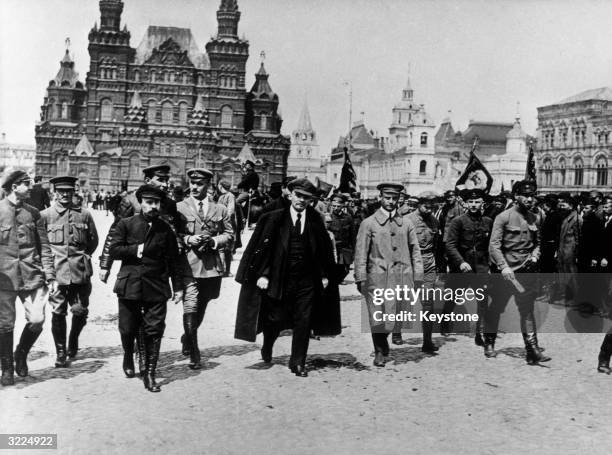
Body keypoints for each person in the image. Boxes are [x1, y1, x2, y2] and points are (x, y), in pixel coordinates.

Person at [234, 178, 338, 377]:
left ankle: (298, 361)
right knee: (275, 318)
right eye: (298, 196)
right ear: (291, 195)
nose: (301, 200)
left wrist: (325, 275)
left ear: (311, 200)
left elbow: (324, 251)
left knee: (304, 320)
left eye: (306, 198)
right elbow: (261, 250)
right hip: (278, 278)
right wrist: (262, 274)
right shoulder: (273, 218)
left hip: (307, 280)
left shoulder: (316, 220)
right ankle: (268, 344)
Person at [99, 164, 180, 376]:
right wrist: (105, 265)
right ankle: (129, 354)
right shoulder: (129, 202)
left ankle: (146, 362)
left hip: (156, 272)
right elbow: (113, 235)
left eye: (166, 179)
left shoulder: (169, 204)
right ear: (148, 180)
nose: (165, 183)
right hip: (132, 270)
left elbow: (175, 234)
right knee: (128, 326)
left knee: (152, 325)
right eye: (160, 179)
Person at [354, 182, 423, 367]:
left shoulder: (406, 223)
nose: (391, 202)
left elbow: (415, 250)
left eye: (395, 198)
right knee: (377, 316)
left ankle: (383, 343)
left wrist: (418, 276)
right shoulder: (368, 224)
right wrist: (360, 278)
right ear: (380, 198)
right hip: (377, 279)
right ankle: (379, 350)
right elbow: (360, 253)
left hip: (402, 278)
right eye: (387, 198)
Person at [0, 171, 56, 386]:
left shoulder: (34, 213)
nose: (31, 187)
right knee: (5, 324)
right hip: (4, 278)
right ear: (14, 186)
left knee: (36, 319)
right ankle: (7, 367)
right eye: (26, 183)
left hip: (31, 275)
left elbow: (45, 248)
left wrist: (50, 275)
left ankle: (21, 354)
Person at [487, 180, 550, 364]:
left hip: (525, 270)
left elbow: (538, 243)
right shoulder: (503, 217)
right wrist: (503, 267)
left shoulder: (535, 218)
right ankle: (489, 342)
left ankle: (532, 350)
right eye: (526, 195)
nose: (530, 199)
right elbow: (494, 246)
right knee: (497, 307)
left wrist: (535, 256)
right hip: (506, 271)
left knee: (527, 310)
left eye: (532, 195)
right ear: (516, 196)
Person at [177, 169, 233, 369]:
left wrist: (214, 241)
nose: (194, 187)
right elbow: (173, 234)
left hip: (211, 266)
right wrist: (188, 238)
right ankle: (194, 350)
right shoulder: (179, 207)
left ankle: (187, 336)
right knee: (190, 303)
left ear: (209, 185)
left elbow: (229, 234)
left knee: (204, 301)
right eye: (192, 182)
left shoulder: (220, 209)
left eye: (199, 183)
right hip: (188, 265)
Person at [40, 176, 98, 367]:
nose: (65, 194)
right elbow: (43, 247)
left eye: (69, 191)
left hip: (80, 272)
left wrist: (84, 258)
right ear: (54, 192)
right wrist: (48, 274)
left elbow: (93, 241)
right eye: (61, 191)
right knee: (58, 311)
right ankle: (61, 351)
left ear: (74, 191)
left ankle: (73, 338)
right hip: (57, 274)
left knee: (80, 311)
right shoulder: (45, 215)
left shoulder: (84, 214)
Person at [445, 188, 493, 353]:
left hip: (481, 267)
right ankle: (445, 320)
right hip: (461, 268)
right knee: (453, 296)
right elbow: (450, 245)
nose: (473, 205)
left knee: (482, 302)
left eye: (477, 202)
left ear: (482, 203)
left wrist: (490, 266)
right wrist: (460, 262)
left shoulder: (488, 221)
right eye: (471, 202)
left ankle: (479, 333)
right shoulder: (458, 221)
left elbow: (491, 246)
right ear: (465, 203)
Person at [406, 195, 440, 350]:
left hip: (428, 264)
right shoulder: (407, 221)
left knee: (428, 304)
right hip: (410, 264)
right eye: (426, 206)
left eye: (432, 207)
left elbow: (437, 246)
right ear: (418, 205)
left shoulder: (434, 221)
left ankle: (427, 341)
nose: (429, 209)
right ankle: (396, 331)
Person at [327, 193, 355, 281]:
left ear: (342, 205)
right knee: (335, 269)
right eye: (334, 206)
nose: (335, 208)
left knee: (346, 270)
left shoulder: (348, 218)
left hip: (345, 248)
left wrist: (354, 249)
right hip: (333, 248)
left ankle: (337, 281)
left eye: (338, 206)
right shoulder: (328, 217)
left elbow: (352, 235)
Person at [217, 179, 237, 277]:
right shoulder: (223, 196)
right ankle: (224, 270)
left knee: (227, 249)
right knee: (224, 248)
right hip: (223, 225)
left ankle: (226, 270)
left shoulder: (229, 196)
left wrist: (223, 220)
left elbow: (231, 211)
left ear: (221, 186)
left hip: (227, 225)